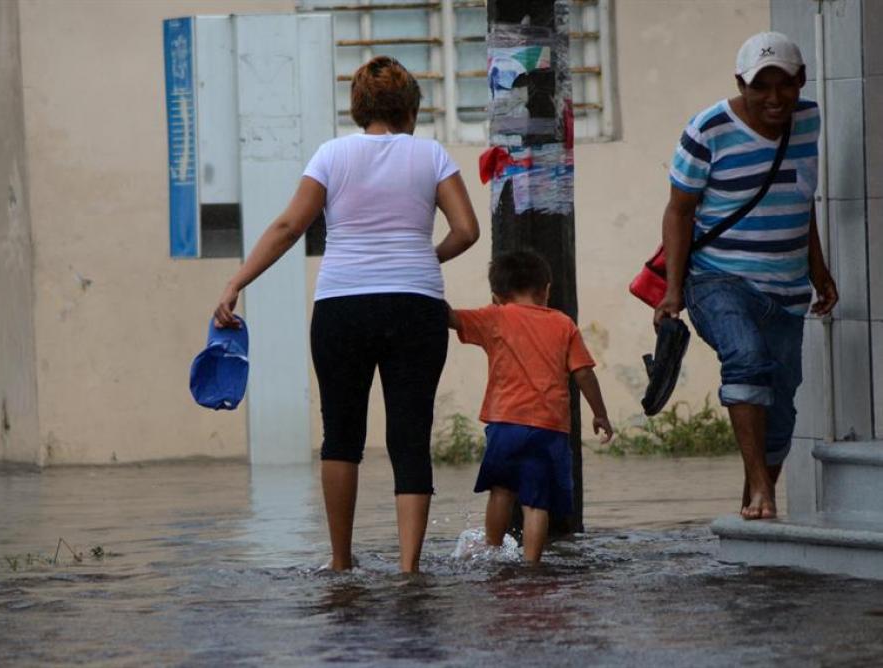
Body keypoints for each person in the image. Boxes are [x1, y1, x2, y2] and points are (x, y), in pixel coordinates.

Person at [213, 56, 480, 572]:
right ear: (410, 108)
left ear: (358, 107)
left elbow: (289, 227)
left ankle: (340, 562)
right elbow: (467, 230)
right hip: (415, 307)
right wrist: (423, 258)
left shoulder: (331, 155)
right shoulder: (431, 155)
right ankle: (409, 568)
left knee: (340, 435)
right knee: (409, 435)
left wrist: (236, 282)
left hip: (342, 306)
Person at [655, 32, 838, 520]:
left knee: (781, 407)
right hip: (717, 279)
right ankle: (761, 489)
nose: (774, 98)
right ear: (741, 83)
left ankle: (754, 501)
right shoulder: (707, 129)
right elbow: (678, 212)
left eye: (785, 84)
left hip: (787, 290)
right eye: (761, 86)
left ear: (801, 81)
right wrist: (672, 291)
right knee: (746, 357)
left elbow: (800, 200)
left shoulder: (809, 121)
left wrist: (818, 271)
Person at [448, 250, 613, 562]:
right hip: (549, 428)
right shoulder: (563, 324)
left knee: (501, 490)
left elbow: (450, 317)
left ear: (497, 296)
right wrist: (600, 413)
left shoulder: (494, 316)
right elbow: (584, 373)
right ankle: (532, 564)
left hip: (505, 424)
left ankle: (492, 551)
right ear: (546, 289)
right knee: (537, 503)